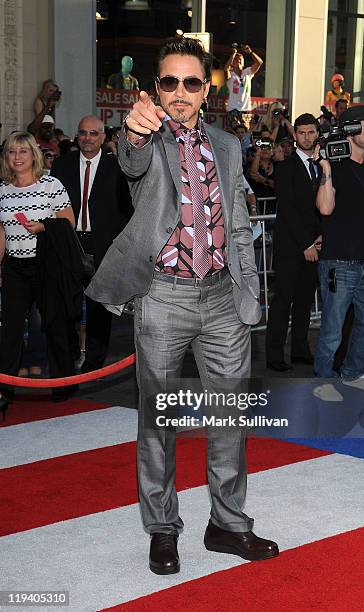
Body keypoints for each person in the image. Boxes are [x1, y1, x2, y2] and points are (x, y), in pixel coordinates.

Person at [86, 36, 279, 574]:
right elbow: (130, 161)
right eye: (168, 82)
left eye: (190, 82)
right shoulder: (146, 138)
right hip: (164, 296)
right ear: (156, 88)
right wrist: (131, 129)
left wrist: (249, 290)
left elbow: (239, 221)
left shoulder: (226, 143)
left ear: (205, 90)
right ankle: (162, 529)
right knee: (158, 423)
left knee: (229, 417)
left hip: (221, 297)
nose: (179, 92)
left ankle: (228, 524)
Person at [313, 106, 364, 402]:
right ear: (350, 130)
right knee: (332, 330)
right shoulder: (335, 167)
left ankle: (353, 373)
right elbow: (325, 208)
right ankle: (322, 379)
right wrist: (326, 172)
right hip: (338, 264)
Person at [0, 132, 76, 415]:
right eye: (11, 152)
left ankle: (64, 387)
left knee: (55, 326)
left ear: (33, 154)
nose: (17, 157)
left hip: (47, 265)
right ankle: (3, 392)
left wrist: (43, 226)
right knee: (9, 332)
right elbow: (2, 232)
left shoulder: (50, 184)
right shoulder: (2, 190)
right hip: (15, 268)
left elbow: (68, 220)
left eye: (23, 151)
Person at [51, 115, 132, 373]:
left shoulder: (116, 167)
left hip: (103, 246)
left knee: (99, 309)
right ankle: (72, 355)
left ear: (103, 137)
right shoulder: (62, 165)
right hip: (69, 244)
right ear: (77, 136)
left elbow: (125, 210)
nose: (87, 138)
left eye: (93, 134)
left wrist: (118, 242)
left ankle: (94, 364)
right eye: (83, 133)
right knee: (68, 305)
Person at [265, 114, 322, 372]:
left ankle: (300, 349)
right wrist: (306, 244)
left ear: (317, 134)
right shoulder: (285, 167)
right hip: (292, 248)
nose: (307, 136)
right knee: (282, 302)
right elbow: (287, 209)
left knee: (304, 302)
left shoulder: (323, 166)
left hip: (316, 246)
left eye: (311, 132)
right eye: (302, 132)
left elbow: (325, 207)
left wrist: (322, 237)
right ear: (295, 136)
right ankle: (274, 355)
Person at [224, 45, 263, 124]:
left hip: (246, 109)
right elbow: (226, 69)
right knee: (233, 134)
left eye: (240, 59)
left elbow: (259, 62)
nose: (238, 61)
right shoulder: (231, 74)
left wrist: (250, 52)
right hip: (233, 109)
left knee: (245, 133)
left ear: (244, 63)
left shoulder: (247, 72)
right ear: (232, 63)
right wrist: (233, 54)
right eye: (236, 60)